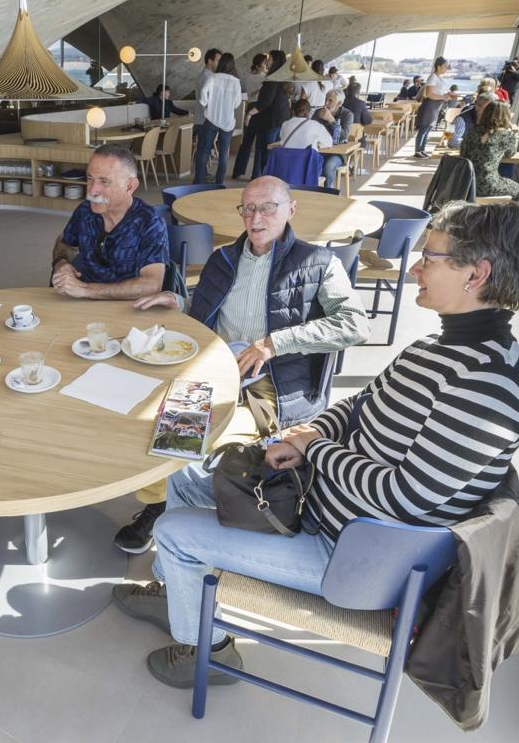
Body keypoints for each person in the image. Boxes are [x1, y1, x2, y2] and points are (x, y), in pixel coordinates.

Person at [116, 200, 519, 687]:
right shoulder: (435, 349)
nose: (418, 267)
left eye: (432, 257)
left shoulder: (490, 384)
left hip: (355, 557)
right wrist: (312, 435)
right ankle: (177, 588)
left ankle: (207, 651)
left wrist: (313, 449)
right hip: (320, 502)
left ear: (477, 274)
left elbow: (407, 496)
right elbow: (362, 404)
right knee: (188, 477)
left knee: (173, 529)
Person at [109, 176, 369, 553]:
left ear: (290, 210)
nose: (256, 217)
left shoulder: (318, 263)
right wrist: (179, 304)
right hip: (216, 372)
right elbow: (208, 310)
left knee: (196, 450)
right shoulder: (224, 258)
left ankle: (180, 533)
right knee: (159, 438)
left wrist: (275, 343)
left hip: (270, 389)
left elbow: (355, 324)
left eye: (268, 207)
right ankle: (161, 508)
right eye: (248, 208)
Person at [51, 144, 168, 299]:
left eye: (104, 182)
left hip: (129, 310)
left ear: (130, 186)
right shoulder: (85, 211)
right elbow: (64, 242)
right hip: (84, 305)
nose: (92, 190)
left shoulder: (149, 222)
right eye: (89, 178)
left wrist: (86, 289)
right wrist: (61, 263)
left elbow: (151, 284)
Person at [234, 50, 291, 179]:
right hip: (280, 119)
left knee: (265, 150)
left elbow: (265, 101)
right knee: (270, 150)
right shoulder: (282, 77)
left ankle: (264, 179)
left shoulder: (271, 79)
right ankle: (261, 177)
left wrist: (249, 114)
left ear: (275, 61)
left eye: (269, 59)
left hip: (269, 119)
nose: (267, 61)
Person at [193, 52, 243, 186]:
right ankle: (219, 183)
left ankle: (198, 181)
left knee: (204, 151)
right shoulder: (236, 82)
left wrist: (206, 106)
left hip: (211, 119)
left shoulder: (213, 78)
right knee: (223, 154)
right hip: (227, 122)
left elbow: (203, 96)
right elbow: (237, 103)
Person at [460, 100, 519, 198]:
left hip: (466, 184)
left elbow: (462, 152)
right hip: (488, 185)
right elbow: (510, 153)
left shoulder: (472, 130)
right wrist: (513, 133)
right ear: (506, 116)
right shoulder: (506, 135)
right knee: (518, 189)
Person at [277, 96, 334, 185]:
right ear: (308, 113)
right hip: (307, 169)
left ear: (293, 111)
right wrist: (318, 144)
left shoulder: (285, 124)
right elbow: (329, 142)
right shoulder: (315, 125)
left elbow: (282, 139)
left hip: (287, 169)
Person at [414, 57, 458, 158]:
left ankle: (422, 150)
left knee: (428, 129)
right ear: (438, 66)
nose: (446, 68)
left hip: (436, 106)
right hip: (430, 105)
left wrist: (448, 94)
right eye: (445, 66)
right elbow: (430, 94)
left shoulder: (438, 77)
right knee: (424, 129)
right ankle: (418, 151)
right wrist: (444, 96)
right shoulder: (433, 77)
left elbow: (438, 92)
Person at [312, 89, 353, 185]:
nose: (326, 103)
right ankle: (312, 191)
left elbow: (344, 138)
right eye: (326, 99)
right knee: (307, 161)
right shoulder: (318, 112)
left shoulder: (347, 114)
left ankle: (328, 193)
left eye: (330, 100)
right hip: (320, 150)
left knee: (328, 166)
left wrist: (331, 120)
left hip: (337, 153)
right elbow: (312, 130)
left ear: (339, 103)